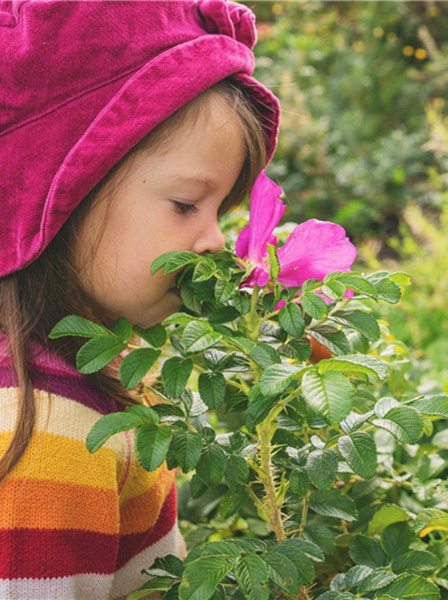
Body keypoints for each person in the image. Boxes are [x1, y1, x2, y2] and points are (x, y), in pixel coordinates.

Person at [0, 1, 280, 597]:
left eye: (220, 210)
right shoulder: (46, 440)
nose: (214, 241)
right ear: (64, 193)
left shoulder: (81, 384)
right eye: (186, 204)